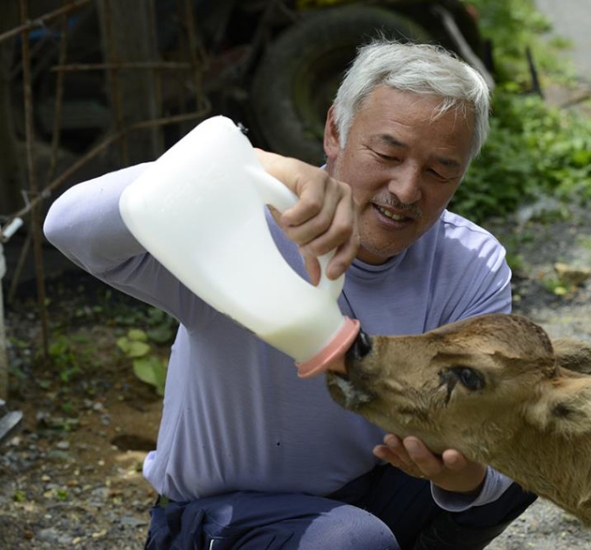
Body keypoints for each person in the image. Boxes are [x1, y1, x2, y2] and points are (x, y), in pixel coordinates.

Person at [44, 40, 537, 549]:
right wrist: (245, 166)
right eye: (387, 153)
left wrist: (468, 478)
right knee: (351, 541)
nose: (408, 190)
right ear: (333, 132)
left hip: (362, 495)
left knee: (545, 426)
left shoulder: (469, 264)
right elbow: (66, 225)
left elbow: (497, 426)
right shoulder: (240, 220)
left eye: (439, 171)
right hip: (223, 519)